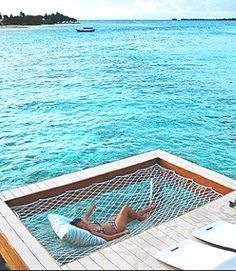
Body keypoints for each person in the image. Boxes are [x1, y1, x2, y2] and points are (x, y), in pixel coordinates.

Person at [70, 203, 156, 241]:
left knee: (130, 215)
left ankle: (145, 213)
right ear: (80, 229)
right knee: (125, 208)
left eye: (83, 223)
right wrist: (123, 233)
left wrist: (92, 208)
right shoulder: (92, 232)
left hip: (111, 222)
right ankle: (144, 214)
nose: (85, 225)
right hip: (116, 228)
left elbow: (87, 215)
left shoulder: (85, 221)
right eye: (82, 226)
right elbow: (108, 238)